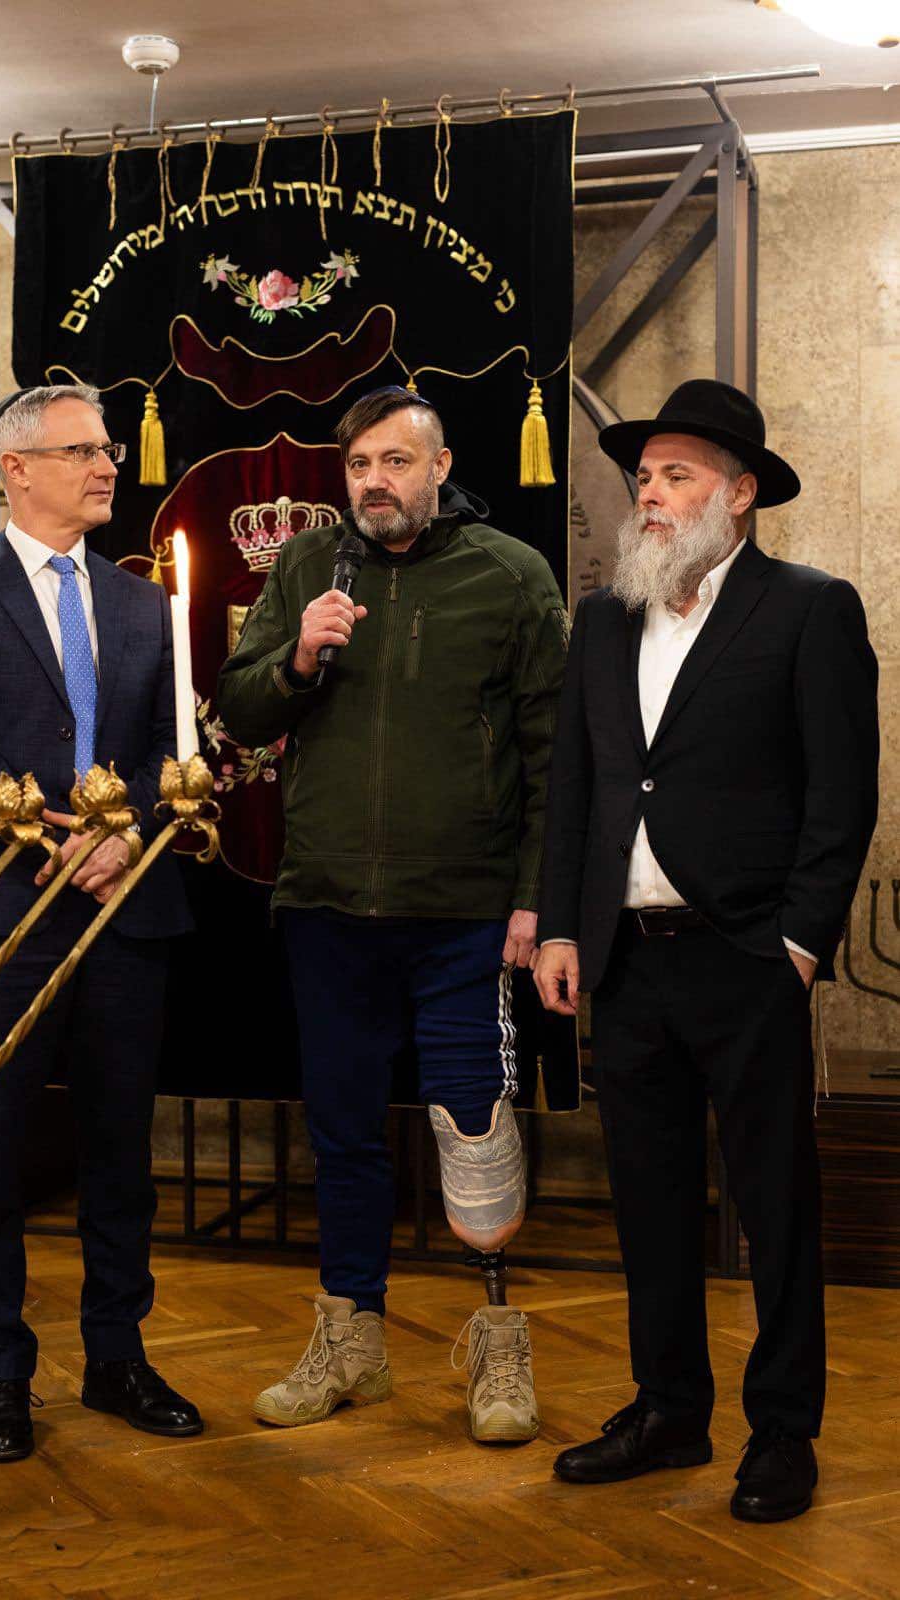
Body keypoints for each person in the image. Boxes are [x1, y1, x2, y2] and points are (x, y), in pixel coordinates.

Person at [535, 379, 878, 1522]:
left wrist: (797, 944)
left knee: (774, 1209)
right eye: (643, 477)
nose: (649, 493)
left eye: (674, 475)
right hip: (627, 961)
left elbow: (839, 798)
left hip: (745, 957)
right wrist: (561, 923)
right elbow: (576, 788)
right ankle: (668, 1409)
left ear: (737, 495)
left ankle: (781, 1431)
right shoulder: (602, 620)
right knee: (649, 1200)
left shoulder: (807, 610)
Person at [216, 385, 567, 1443]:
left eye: (396, 461)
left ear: (440, 466)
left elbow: (553, 755)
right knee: (341, 1134)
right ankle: (351, 1342)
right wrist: (297, 655)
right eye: (359, 464)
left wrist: (532, 897)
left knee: (475, 1130)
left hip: (462, 912)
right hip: (327, 904)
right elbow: (238, 710)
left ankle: (498, 1348)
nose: (375, 481)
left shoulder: (510, 573)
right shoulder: (304, 567)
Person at [0, 384, 199, 1463]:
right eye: (82, 450)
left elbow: (175, 748)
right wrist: (52, 832)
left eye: (108, 449)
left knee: (120, 1148)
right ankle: (0, 1374)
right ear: (15, 467)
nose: (106, 465)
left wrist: (126, 831)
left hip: (124, 902)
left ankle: (118, 1355)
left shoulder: (141, 602)